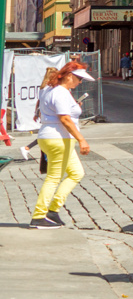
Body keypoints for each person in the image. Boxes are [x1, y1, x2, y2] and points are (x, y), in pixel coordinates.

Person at [29, 60, 92, 229]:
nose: (80, 82)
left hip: (54, 137)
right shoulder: (61, 92)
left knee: (76, 173)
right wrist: (81, 139)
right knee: (53, 178)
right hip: (58, 138)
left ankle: (52, 210)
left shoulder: (52, 90)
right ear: (69, 76)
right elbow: (64, 119)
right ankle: (39, 216)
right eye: (79, 79)